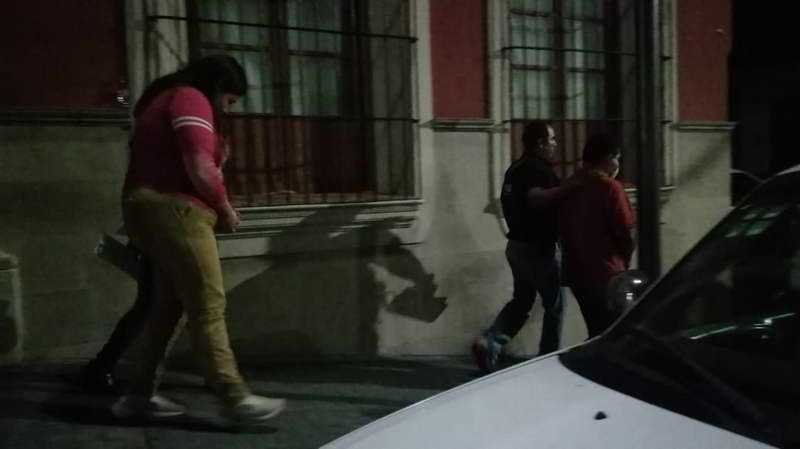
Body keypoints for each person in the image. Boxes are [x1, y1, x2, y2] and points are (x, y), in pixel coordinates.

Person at [111, 54, 285, 424]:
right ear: (218, 87)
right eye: (230, 100)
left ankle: (139, 395)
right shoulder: (190, 98)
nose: (228, 109)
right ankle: (234, 396)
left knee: (168, 307)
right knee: (208, 304)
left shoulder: (166, 98)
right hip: (177, 210)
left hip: (150, 208)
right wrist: (225, 207)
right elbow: (199, 166)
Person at [472, 121, 579, 373]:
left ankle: (489, 342)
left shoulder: (515, 168)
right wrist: (568, 190)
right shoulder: (538, 170)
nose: (555, 144)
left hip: (516, 247)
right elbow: (537, 198)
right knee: (554, 306)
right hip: (538, 248)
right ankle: (547, 360)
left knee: (522, 301)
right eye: (552, 140)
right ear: (540, 144)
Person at [558, 133, 636, 338]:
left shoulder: (569, 185)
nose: (618, 164)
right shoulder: (610, 188)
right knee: (618, 332)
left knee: (595, 329)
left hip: (577, 274)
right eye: (617, 158)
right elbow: (626, 232)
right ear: (608, 158)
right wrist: (624, 261)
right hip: (607, 273)